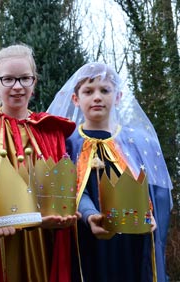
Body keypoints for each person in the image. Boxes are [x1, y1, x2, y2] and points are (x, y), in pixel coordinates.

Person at [47, 62, 173, 281]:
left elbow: (157, 191)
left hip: (131, 240)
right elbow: (70, 190)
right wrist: (89, 215)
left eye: (105, 90)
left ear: (118, 97)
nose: (97, 97)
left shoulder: (137, 143)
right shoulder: (68, 144)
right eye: (88, 91)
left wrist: (150, 214)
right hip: (86, 238)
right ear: (75, 99)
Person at [0, 44, 78, 282]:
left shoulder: (50, 130)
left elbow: (61, 189)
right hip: (1, 238)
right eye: (8, 79)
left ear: (34, 82)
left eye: (24, 79)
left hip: (44, 238)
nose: (17, 87)